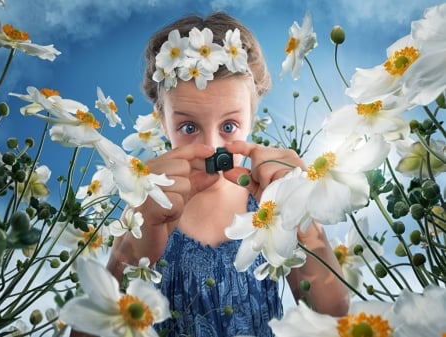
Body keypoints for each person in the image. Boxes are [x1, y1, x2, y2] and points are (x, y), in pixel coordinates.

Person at [106, 12, 349, 337]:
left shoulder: (270, 203)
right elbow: (93, 328)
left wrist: (302, 210)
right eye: (188, 127)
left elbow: (333, 317)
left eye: (229, 126)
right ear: (163, 122)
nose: (212, 146)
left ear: (252, 115)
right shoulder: (148, 210)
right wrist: (133, 246)